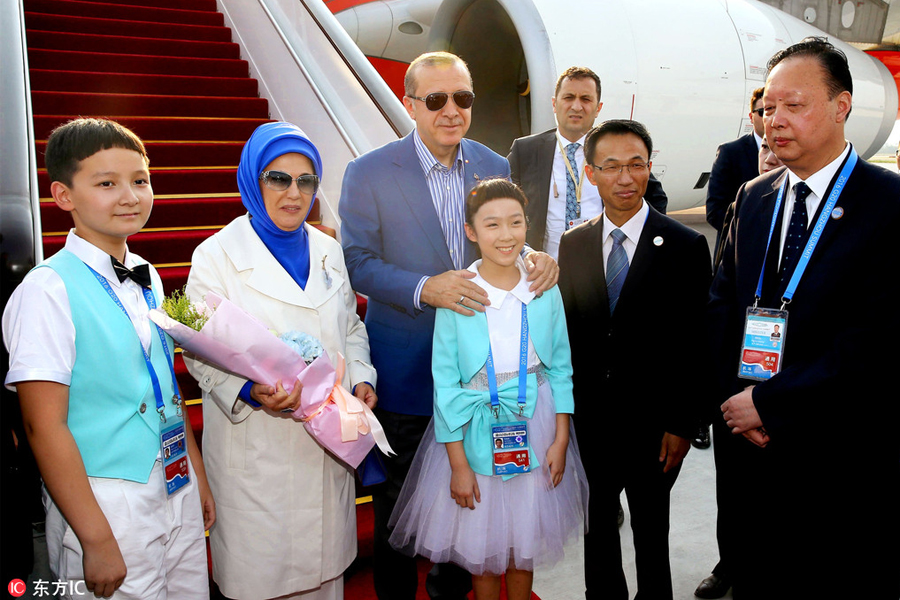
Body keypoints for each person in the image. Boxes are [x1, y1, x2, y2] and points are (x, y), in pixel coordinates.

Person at [339, 51, 559, 600]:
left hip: (481, 378)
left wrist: (533, 256)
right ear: (410, 103)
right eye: (436, 99)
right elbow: (357, 261)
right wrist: (424, 287)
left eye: (462, 97)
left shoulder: (493, 163)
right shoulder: (369, 171)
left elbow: (503, 236)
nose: (451, 110)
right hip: (407, 370)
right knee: (397, 510)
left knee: (470, 508)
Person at [710, 37, 900, 599]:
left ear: (842, 106)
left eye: (794, 105)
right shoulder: (754, 196)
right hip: (750, 451)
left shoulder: (888, 203)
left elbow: (878, 339)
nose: (775, 120)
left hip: (840, 459)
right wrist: (737, 402)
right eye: (769, 107)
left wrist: (772, 403)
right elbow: (722, 305)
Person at [2, 117, 215, 599]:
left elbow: (164, 383)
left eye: (140, 180)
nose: (130, 196)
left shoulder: (146, 273)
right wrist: (95, 538)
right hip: (104, 494)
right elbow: (42, 425)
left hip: (173, 477)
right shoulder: (47, 289)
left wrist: (196, 475)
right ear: (64, 196)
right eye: (106, 184)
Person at [184, 122, 377, 600]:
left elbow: (351, 327)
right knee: (264, 582)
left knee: (326, 580)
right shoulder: (215, 256)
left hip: (328, 443)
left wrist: (360, 380)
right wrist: (249, 391)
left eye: (306, 180)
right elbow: (198, 350)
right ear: (253, 179)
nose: (294, 193)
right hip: (258, 448)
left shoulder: (328, 249)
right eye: (278, 178)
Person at [389, 178, 588, 600]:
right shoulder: (459, 295)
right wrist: (458, 464)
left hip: (536, 422)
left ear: (527, 226)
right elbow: (446, 384)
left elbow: (561, 367)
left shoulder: (543, 288)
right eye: (492, 224)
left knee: (522, 551)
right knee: (484, 551)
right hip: (475, 428)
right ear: (471, 231)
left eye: (516, 222)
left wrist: (561, 438)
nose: (506, 234)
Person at [558, 120, 711, 600]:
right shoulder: (573, 243)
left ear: (649, 167)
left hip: (655, 427)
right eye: (611, 167)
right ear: (591, 173)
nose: (625, 178)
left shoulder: (685, 245)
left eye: (636, 165)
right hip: (591, 422)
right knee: (597, 530)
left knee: (651, 532)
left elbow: (696, 342)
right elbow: (570, 334)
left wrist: (683, 423)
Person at [508, 66, 668, 259]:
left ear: (598, 108)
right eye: (568, 97)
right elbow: (502, 203)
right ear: (554, 104)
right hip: (542, 269)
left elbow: (655, 199)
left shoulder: (616, 150)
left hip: (602, 268)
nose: (576, 107)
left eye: (585, 99)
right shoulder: (526, 151)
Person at [705, 87, 766, 233]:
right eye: (762, 112)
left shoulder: (792, 151)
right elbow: (715, 210)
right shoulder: (730, 152)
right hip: (739, 242)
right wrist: (750, 235)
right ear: (751, 117)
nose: (768, 117)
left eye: (774, 111)